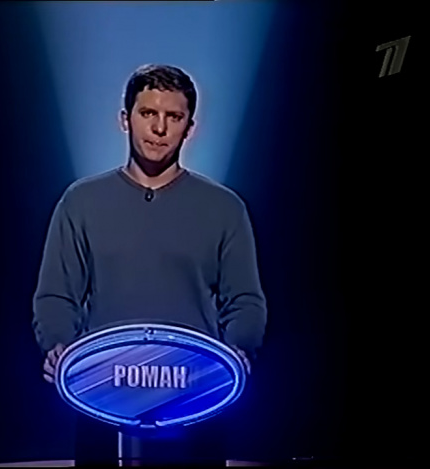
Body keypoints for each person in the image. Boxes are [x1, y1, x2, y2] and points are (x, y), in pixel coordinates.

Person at [32, 64, 267, 466]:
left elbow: (246, 300)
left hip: (196, 399)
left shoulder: (224, 207)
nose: (159, 128)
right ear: (125, 119)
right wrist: (59, 346)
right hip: (102, 396)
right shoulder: (81, 201)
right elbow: (56, 295)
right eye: (148, 113)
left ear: (189, 128)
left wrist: (237, 351)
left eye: (173, 116)